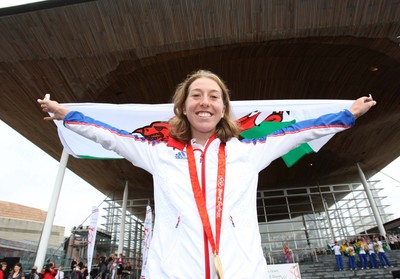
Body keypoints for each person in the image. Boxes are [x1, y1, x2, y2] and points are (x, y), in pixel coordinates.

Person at [38, 69, 376, 279]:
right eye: (196, 95)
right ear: (183, 107)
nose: (205, 102)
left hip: (242, 272)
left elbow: (303, 130)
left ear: (223, 108)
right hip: (172, 272)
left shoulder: (248, 150)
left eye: (214, 96)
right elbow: (108, 134)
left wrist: (349, 113)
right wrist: (64, 113)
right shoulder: (159, 153)